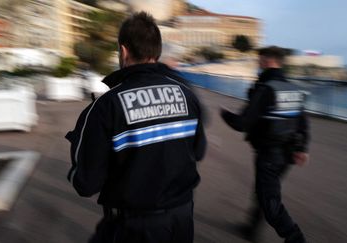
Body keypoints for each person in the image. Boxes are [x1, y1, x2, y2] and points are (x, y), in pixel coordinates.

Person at [66, 12, 207, 243]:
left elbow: (86, 183)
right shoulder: (187, 95)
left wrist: (77, 150)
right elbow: (198, 151)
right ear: (157, 52)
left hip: (134, 227)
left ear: (123, 51)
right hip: (182, 219)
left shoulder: (106, 105)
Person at [220, 46, 310, 243]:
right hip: (288, 154)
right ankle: (250, 229)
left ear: (268, 60)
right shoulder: (293, 88)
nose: (258, 64)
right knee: (263, 191)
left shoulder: (265, 88)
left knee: (269, 201)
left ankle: (295, 238)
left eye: (260, 60)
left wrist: (224, 113)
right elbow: (302, 121)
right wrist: (303, 149)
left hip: (269, 153)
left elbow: (242, 123)